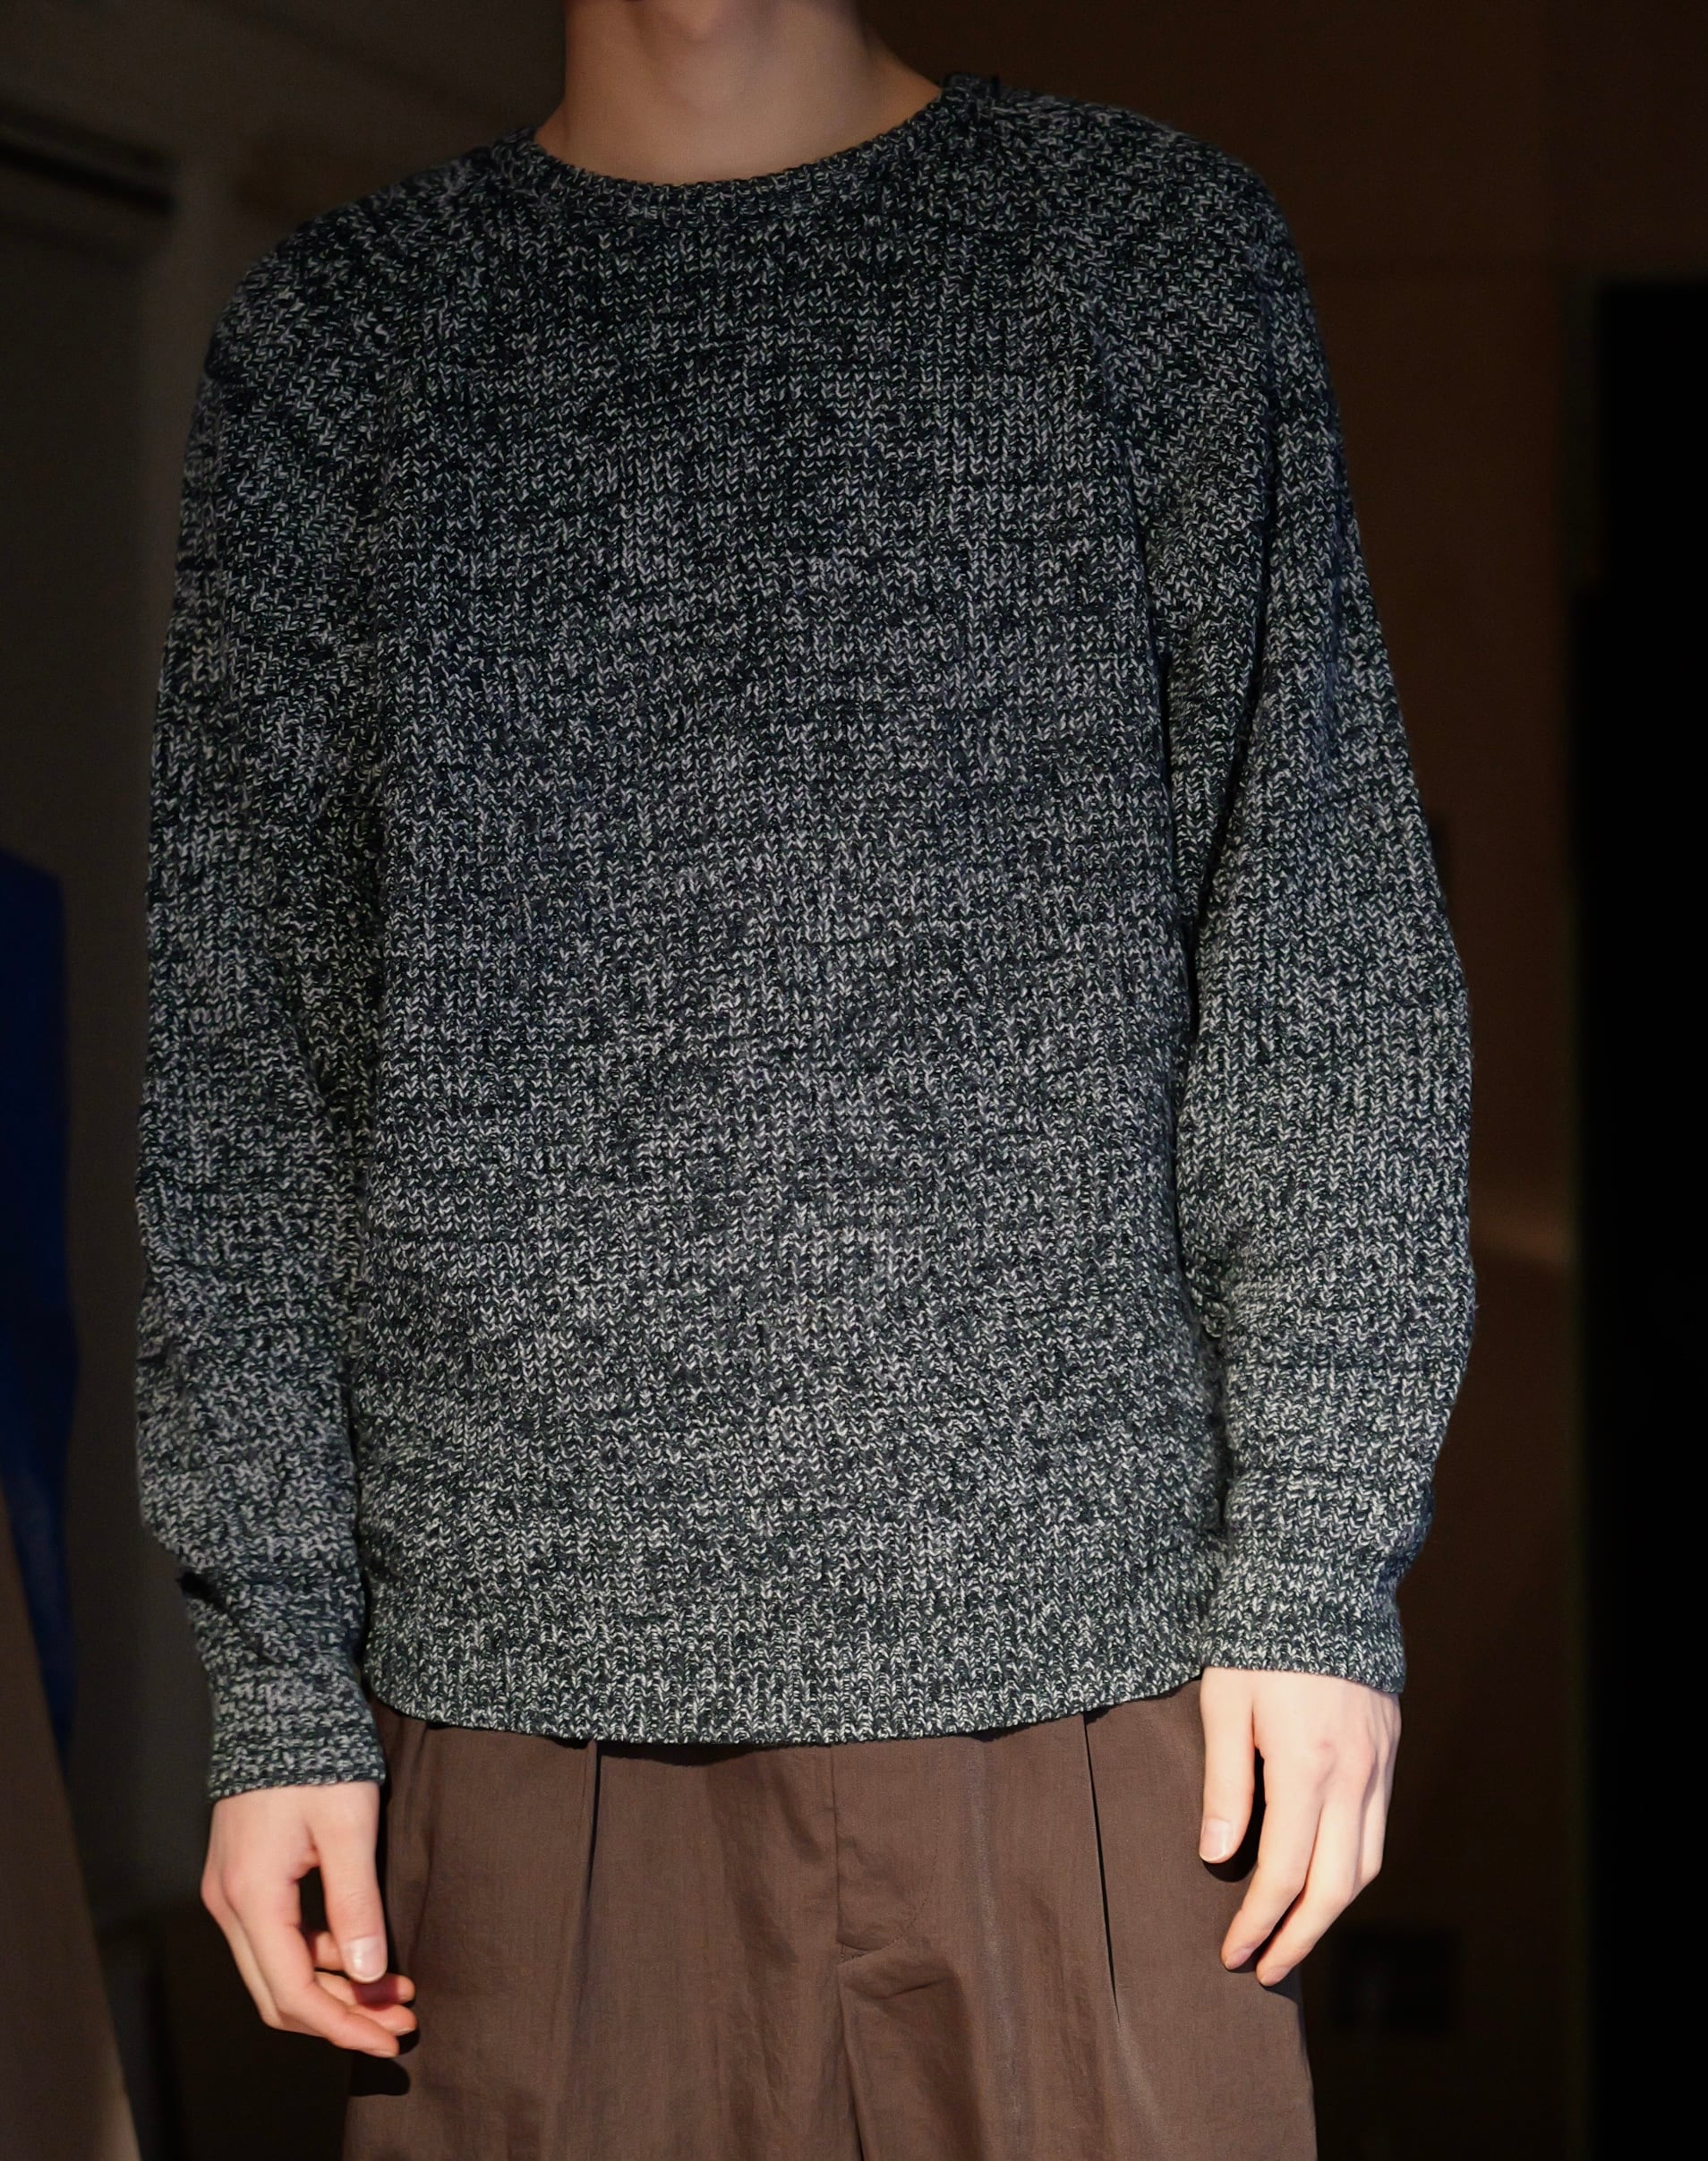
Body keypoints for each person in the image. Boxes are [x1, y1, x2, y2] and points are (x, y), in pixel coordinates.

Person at [133, 4, 1473, 2156]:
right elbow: (246, 1069)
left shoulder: (1140, 253)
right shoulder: (349, 339)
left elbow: (1316, 949)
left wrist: (1317, 1576)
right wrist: (277, 1674)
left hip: (1097, 1703)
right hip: (518, 1730)